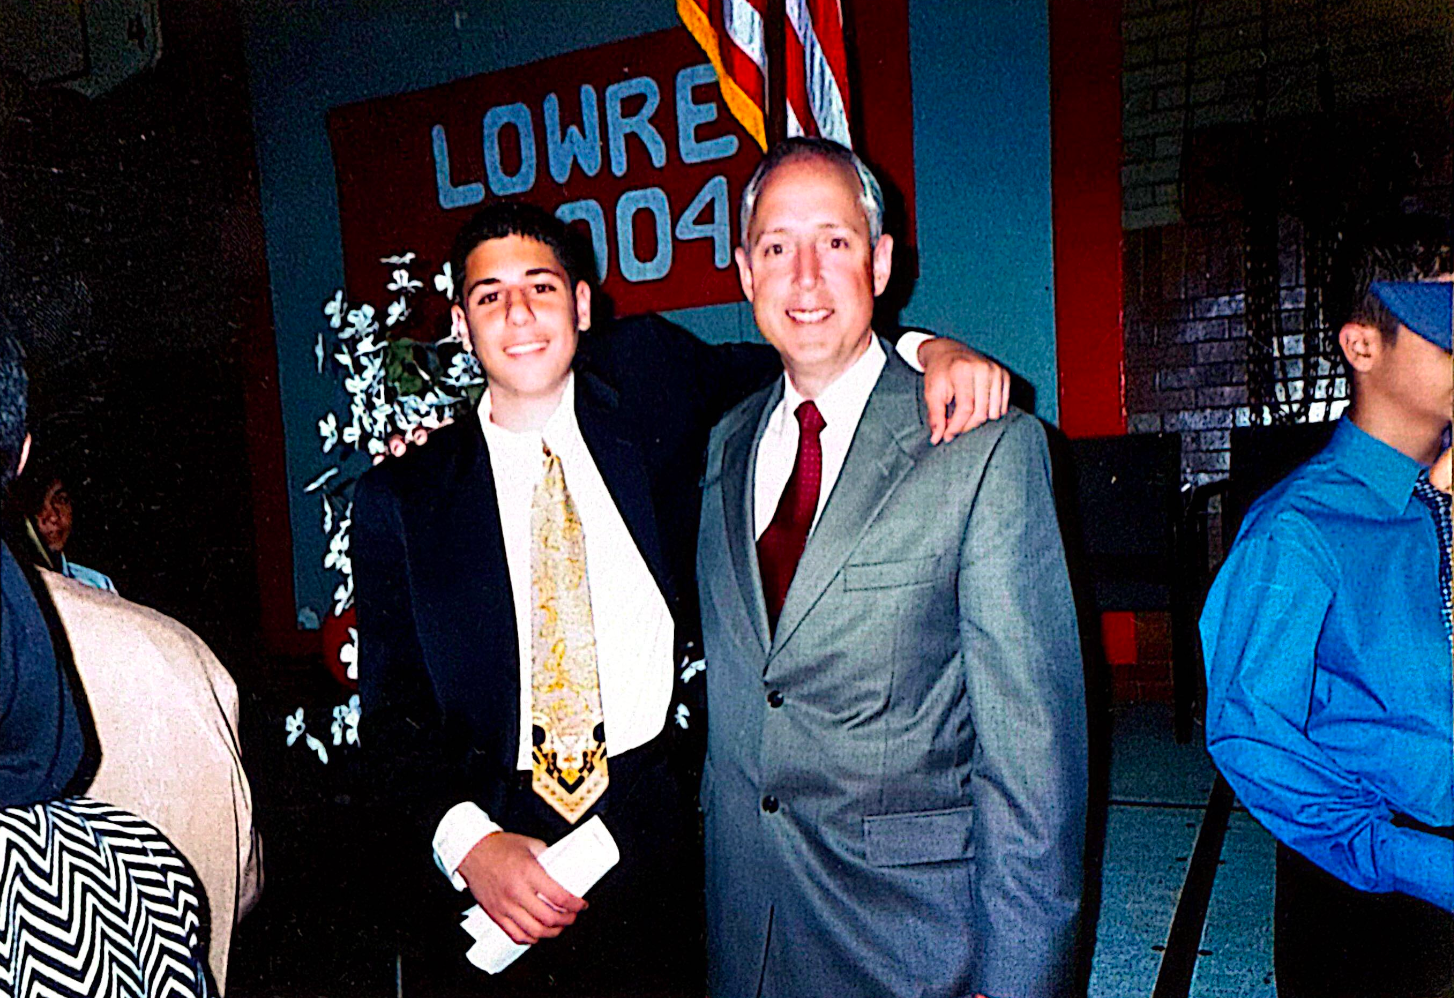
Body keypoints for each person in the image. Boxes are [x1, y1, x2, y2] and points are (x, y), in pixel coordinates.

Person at [353, 201, 1009, 995]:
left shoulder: (651, 383)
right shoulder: (403, 497)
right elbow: (392, 715)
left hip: (649, 823)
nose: (519, 313)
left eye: (541, 287)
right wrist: (468, 844)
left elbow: (806, 347)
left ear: (583, 304)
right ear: (461, 323)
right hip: (492, 840)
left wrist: (927, 346)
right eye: (490, 296)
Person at [696, 137, 1087, 998]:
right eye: (775, 247)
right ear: (743, 271)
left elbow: (1034, 759)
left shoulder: (985, 447)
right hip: (744, 930)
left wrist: (1019, 981)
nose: (804, 276)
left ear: (879, 262)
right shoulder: (723, 444)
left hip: (911, 939)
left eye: (834, 242)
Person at [1200, 222, 1454, 997]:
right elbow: (1248, 731)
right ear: (1362, 346)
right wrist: (1413, 862)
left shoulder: (1439, 497)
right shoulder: (1299, 531)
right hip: (1382, 872)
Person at [0, 316, 217, 997]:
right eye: (47, 506)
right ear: (21, 456)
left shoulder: (108, 604)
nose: (56, 519)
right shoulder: (131, 870)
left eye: (65, 504)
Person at [12, 453, 118, 592]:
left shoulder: (98, 584)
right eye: (38, 504)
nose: (53, 517)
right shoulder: (13, 583)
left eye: (61, 500)